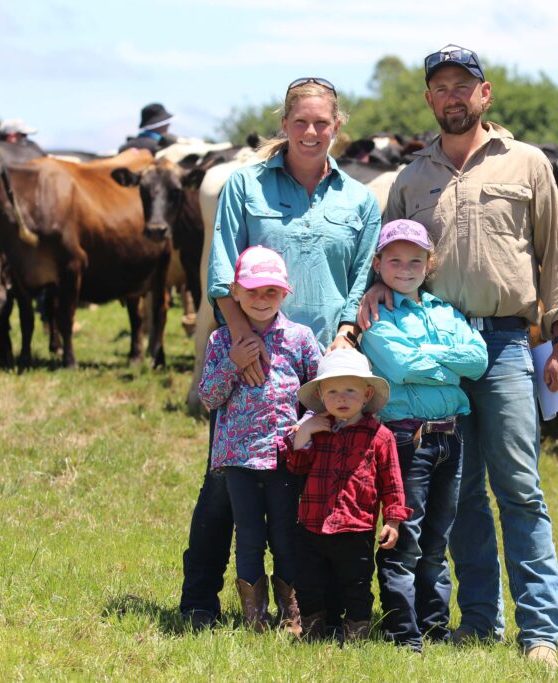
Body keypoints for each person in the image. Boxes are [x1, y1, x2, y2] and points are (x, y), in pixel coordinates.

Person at [359, 44, 558, 668]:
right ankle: (480, 622)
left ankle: (540, 632)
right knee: (459, 493)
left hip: (508, 342)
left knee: (520, 485)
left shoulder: (527, 164)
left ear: (485, 95)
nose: (453, 96)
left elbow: (555, 255)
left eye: (465, 85)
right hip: (434, 349)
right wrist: (378, 286)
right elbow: (390, 255)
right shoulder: (411, 177)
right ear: (430, 99)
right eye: (441, 87)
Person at [179, 76, 382, 630]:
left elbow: (362, 278)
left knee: (307, 490)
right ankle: (200, 597)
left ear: (337, 127)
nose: (312, 132)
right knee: (227, 483)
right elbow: (223, 272)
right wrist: (242, 339)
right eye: (301, 122)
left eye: (322, 123)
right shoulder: (245, 187)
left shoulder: (359, 200)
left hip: (321, 370)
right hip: (252, 365)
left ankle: (312, 606)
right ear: (284, 125)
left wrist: (346, 336)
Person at [358, 219, 488, 652]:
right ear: (378, 264)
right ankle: (403, 632)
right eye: (394, 259)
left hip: (449, 437)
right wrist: (448, 369)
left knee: (438, 535)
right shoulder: (376, 314)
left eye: (415, 259)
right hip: (406, 438)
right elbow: (400, 367)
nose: (405, 267)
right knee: (405, 532)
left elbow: (479, 359)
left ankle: (434, 626)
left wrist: (430, 359)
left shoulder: (444, 311)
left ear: (429, 264)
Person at [197, 245, 319, 634]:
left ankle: (291, 615)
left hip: (286, 457)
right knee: (248, 537)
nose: (261, 301)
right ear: (235, 293)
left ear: (285, 293)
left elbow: (318, 391)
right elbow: (208, 397)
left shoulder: (299, 338)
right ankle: (255, 618)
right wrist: (234, 362)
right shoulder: (220, 342)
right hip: (239, 461)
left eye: (271, 292)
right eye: (252, 292)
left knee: (285, 535)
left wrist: (309, 428)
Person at [280, 348, 412, 642]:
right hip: (312, 525)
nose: (341, 398)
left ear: (366, 395)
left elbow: (392, 482)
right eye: (333, 391)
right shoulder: (318, 430)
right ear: (322, 396)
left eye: (350, 390)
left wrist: (392, 520)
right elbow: (296, 466)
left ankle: (356, 633)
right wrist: (304, 432)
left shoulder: (380, 436)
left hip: (356, 527)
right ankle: (313, 631)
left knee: (355, 583)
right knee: (309, 583)